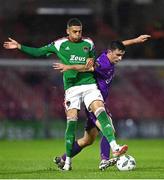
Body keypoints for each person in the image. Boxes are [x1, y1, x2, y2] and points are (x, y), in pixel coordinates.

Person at [4, 18, 133, 171]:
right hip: (72, 88)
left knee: (94, 126)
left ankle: (112, 149)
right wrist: (19, 46)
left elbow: (93, 62)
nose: (78, 34)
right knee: (74, 123)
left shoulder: (89, 43)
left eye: (80, 31)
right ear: (68, 31)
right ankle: (70, 162)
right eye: (75, 31)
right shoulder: (59, 44)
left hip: (89, 85)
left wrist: (79, 64)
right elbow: (38, 52)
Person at [53, 35, 151, 170]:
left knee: (88, 140)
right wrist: (69, 67)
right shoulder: (103, 64)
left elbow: (118, 44)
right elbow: (87, 68)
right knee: (109, 128)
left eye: (122, 55)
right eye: (118, 55)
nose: (120, 58)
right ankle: (104, 160)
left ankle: (63, 159)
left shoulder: (108, 54)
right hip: (93, 101)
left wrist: (135, 40)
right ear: (110, 52)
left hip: (98, 100)